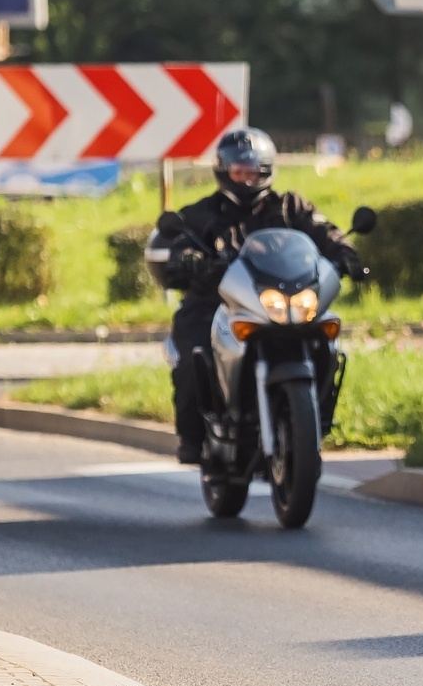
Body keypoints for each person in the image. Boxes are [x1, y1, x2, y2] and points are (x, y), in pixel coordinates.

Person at [157, 128, 368, 466]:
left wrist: (347, 254)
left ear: (267, 170)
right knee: (194, 351)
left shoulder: (291, 207)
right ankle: (193, 436)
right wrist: (188, 260)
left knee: (327, 339)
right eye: (238, 170)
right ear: (223, 171)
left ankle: (316, 418)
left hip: (282, 300)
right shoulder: (200, 214)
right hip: (219, 303)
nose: (246, 178)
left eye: (253, 170)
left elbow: (325, 233)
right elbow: (180, 246)